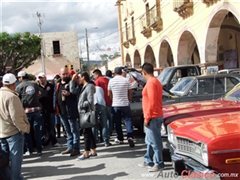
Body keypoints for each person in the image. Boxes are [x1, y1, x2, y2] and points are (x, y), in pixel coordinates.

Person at [0, 73, 30, 180]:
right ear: (14, 83)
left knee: (4, 161)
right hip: (13, 133)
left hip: (2, 132)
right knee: (15, 161)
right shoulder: (12, 97)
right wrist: (25, 128)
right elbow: (16, 117)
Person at [138, 62, 165, 172]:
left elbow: (152, 102)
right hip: (154, 115)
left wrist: (147, 117)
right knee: (149, 140)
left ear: (144, 72)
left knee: (154, 141)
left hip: (152, 116)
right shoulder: (155, 81)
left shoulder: (151, 83)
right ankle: (148, 159)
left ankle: (159, 163)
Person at [16, 71, 43, 156]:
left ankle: (29, 150)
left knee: (27, 131)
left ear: (21, 77)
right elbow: (39, 93)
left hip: (26, 111)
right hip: (37, 110)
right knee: (38, 131)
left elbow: (16, 98)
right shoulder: (34, 84)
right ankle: (39, 149)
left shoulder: (19, 86)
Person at [55, 67, 80, 157]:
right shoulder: (57, 84)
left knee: (74, 130)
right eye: (63, 74)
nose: (65, 75)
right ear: (60, 74)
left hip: (71, 111)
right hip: (61, 111)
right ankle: (70, 147)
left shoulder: (72, 83)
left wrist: (69, 94)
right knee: (67, 130)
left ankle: (76, 148)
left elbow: (76, 93)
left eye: (66, 74)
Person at [108, 67, 135, 147]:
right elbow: (130, 92)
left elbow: (109, 94)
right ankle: (130, 136)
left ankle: (120, 138)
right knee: (128, 120)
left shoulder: (111, 81)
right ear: (121, 72)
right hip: (125, 103)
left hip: (116, 104)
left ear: (114, 73)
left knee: (118, 122)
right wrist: (129, 100)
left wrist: (113, 100)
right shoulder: (126, 80)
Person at [76, 72, 97, 160]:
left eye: (79, 77)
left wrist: (81, 104)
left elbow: (90, 101)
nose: (78, 79)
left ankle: (86, 152)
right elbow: (73, 90)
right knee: (89, 132)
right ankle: (93, 150)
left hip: (86, 113)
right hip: (84, 113)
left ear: (83, 77)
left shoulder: (89, 87)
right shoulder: (84, 87)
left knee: (86, 133)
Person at [37, 72, 61, 147]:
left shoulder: (51, 86)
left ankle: (54, 141)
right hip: (41, 111)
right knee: (41, 127)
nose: (41, 79)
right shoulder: (37, 87)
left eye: (42, 78)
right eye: (40, 78)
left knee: (51, 127)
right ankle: (41, 142)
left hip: (50, 110)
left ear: (45, 78)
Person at [93, 69, 112, 145]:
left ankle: (96, 139)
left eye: (94, 75)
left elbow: (96, 92)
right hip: (108, 102)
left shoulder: (97, 82)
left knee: (96, 123)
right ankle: (106, 139)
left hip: (99, 102)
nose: (94, 77)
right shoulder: (108, 80)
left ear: (97, 74)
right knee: (107, 121)